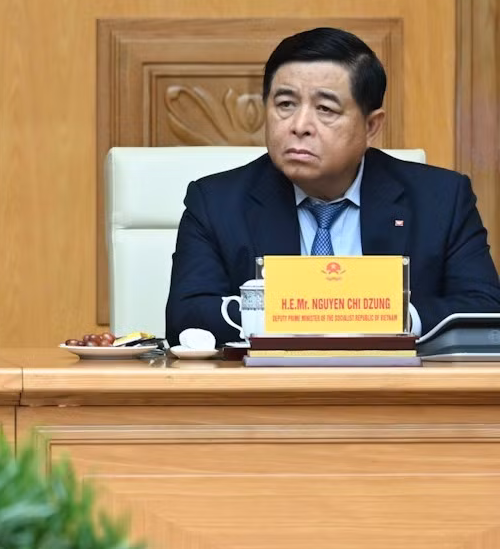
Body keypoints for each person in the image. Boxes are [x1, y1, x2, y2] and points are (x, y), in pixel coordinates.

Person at [166, 27, 500, 343]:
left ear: (371, 126)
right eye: (285, 104)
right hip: (267, 393)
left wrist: (397, 317)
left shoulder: (441, 199)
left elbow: (484, 309)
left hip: (395, 394)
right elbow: (187, 317)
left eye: (325, 109)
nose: (299, 126)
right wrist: (329, 310)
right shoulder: (215, 202)